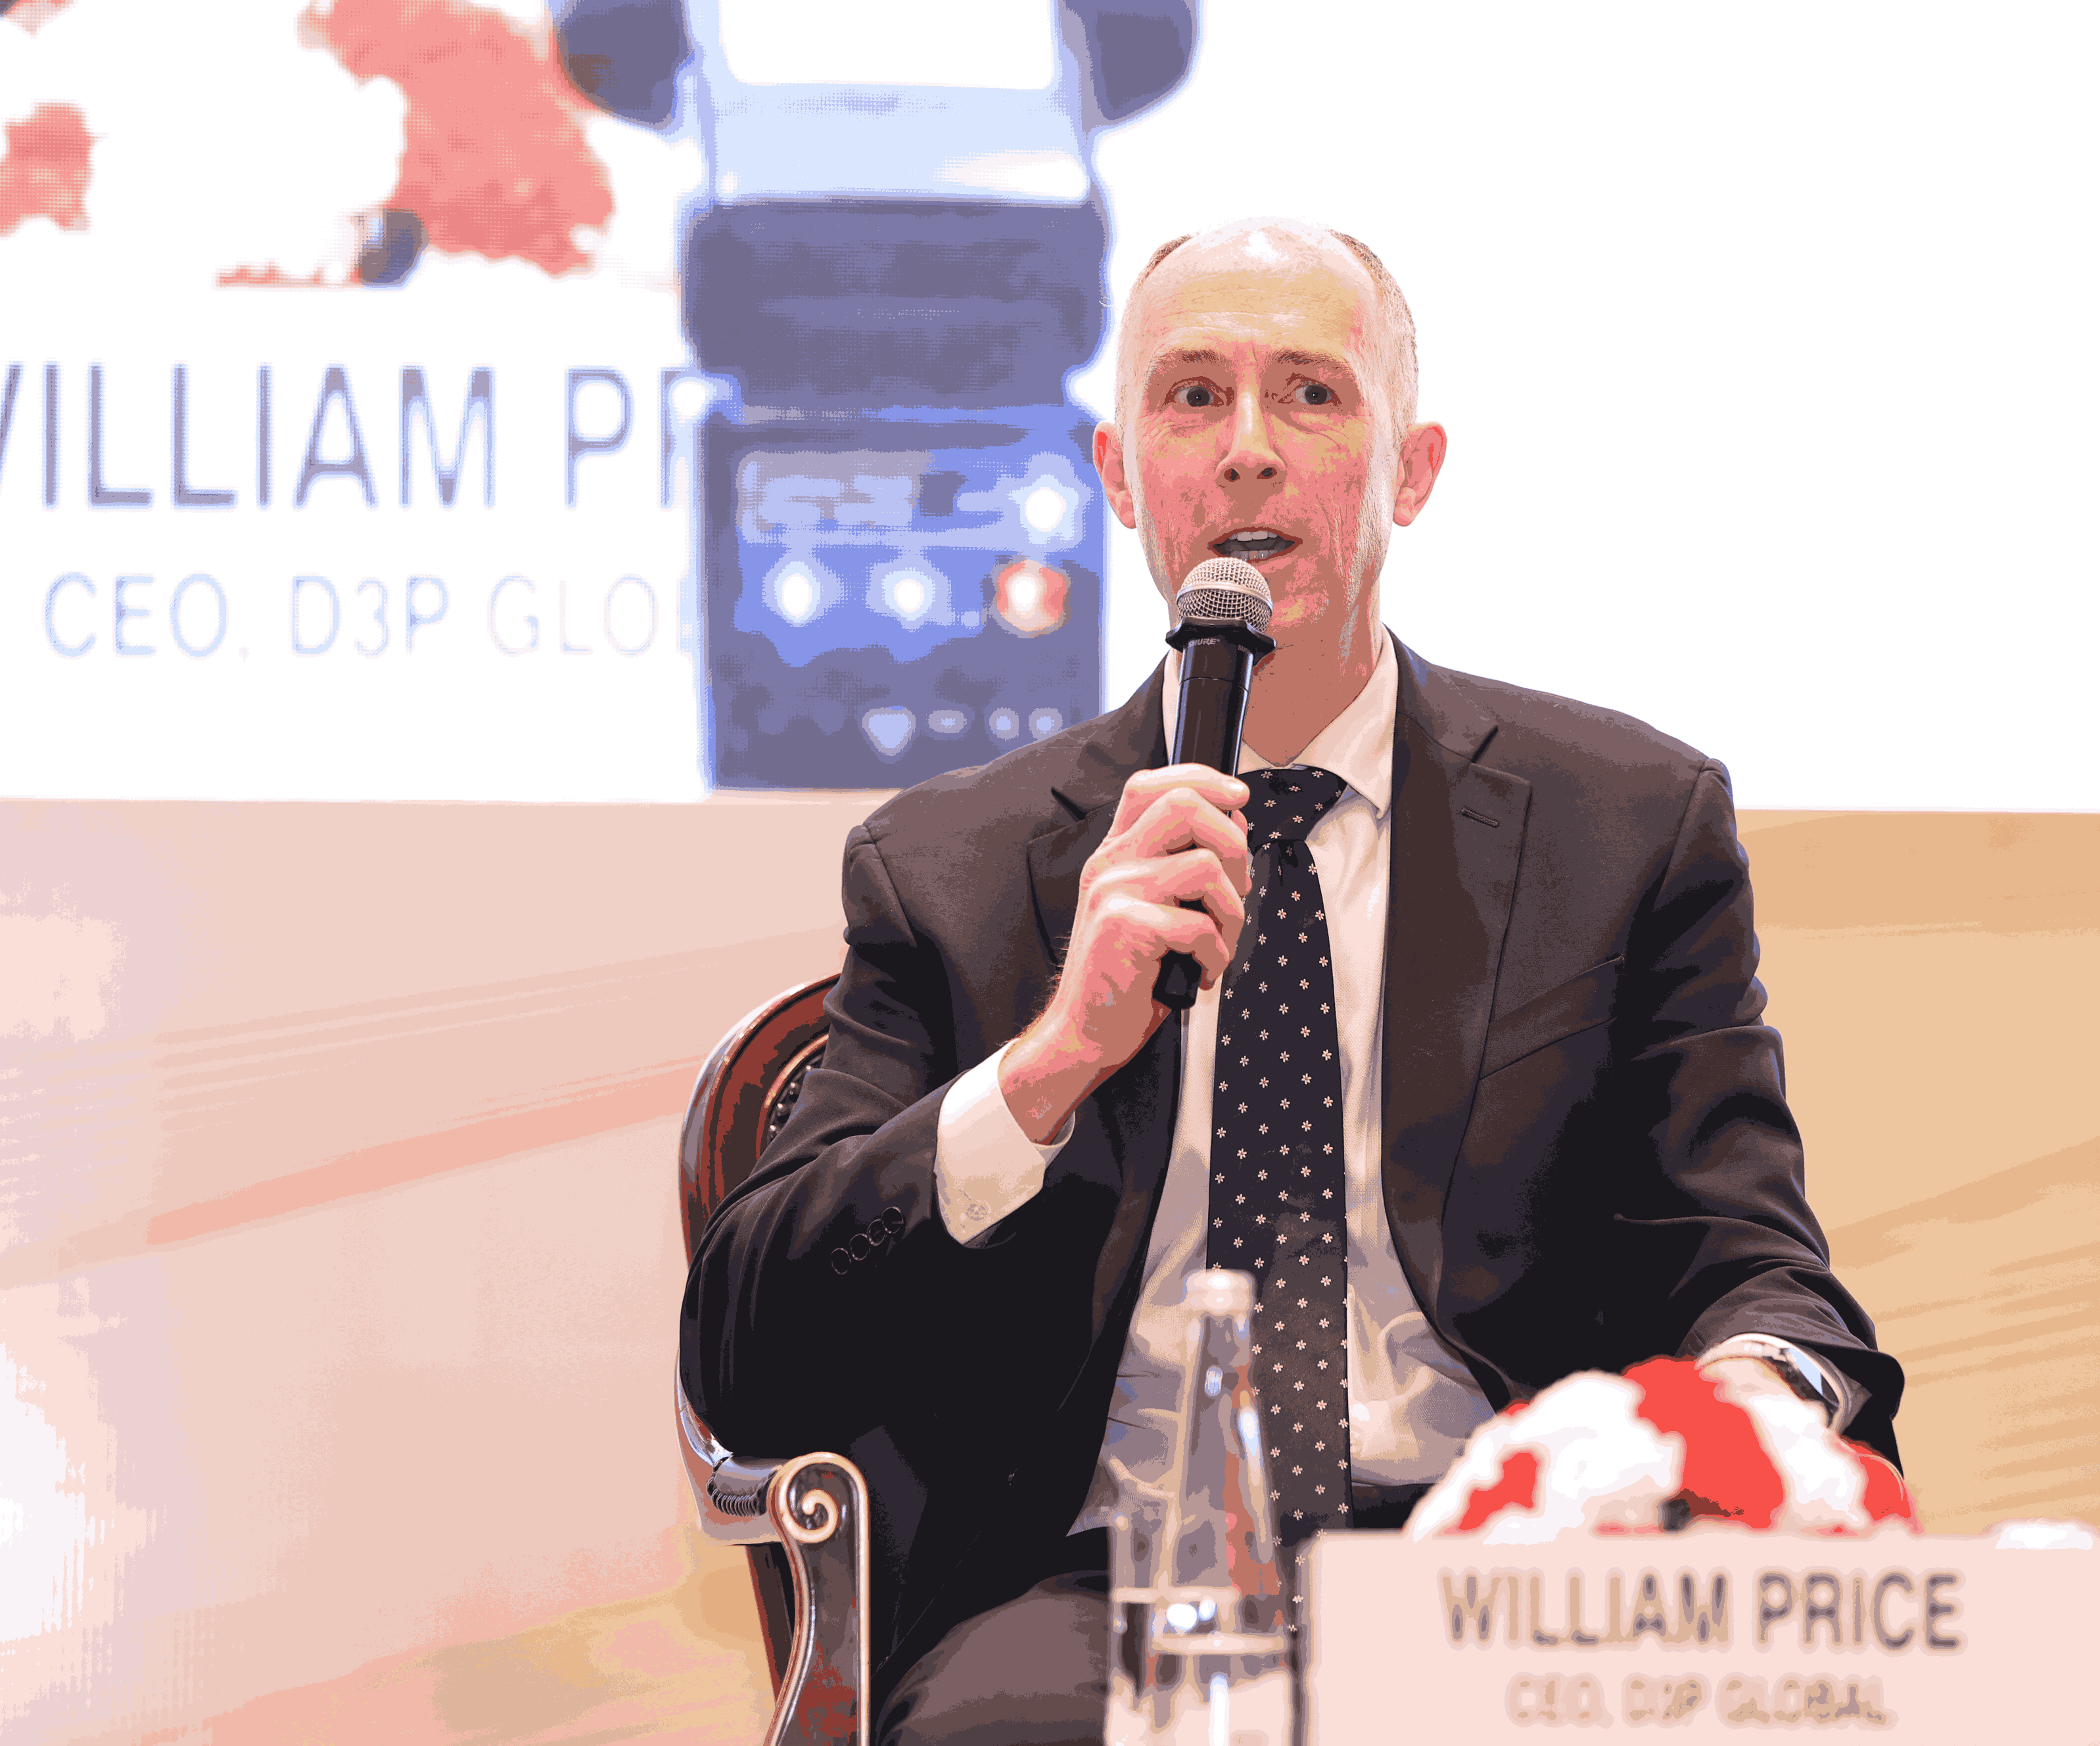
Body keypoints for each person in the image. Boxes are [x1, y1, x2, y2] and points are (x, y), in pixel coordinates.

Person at [678, 218, 1905, 1743]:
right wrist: (1050, 1061)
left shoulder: (1626, 825)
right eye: (1192, 396)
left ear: (1412, 469)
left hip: (1503, 1577)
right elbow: (750, 1350)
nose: (1248, 449)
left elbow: (1749, 1257)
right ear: (1119, 474)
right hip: (1099, 1591)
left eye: (1312, 394)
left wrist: (1746, 1418)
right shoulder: (953, 866)